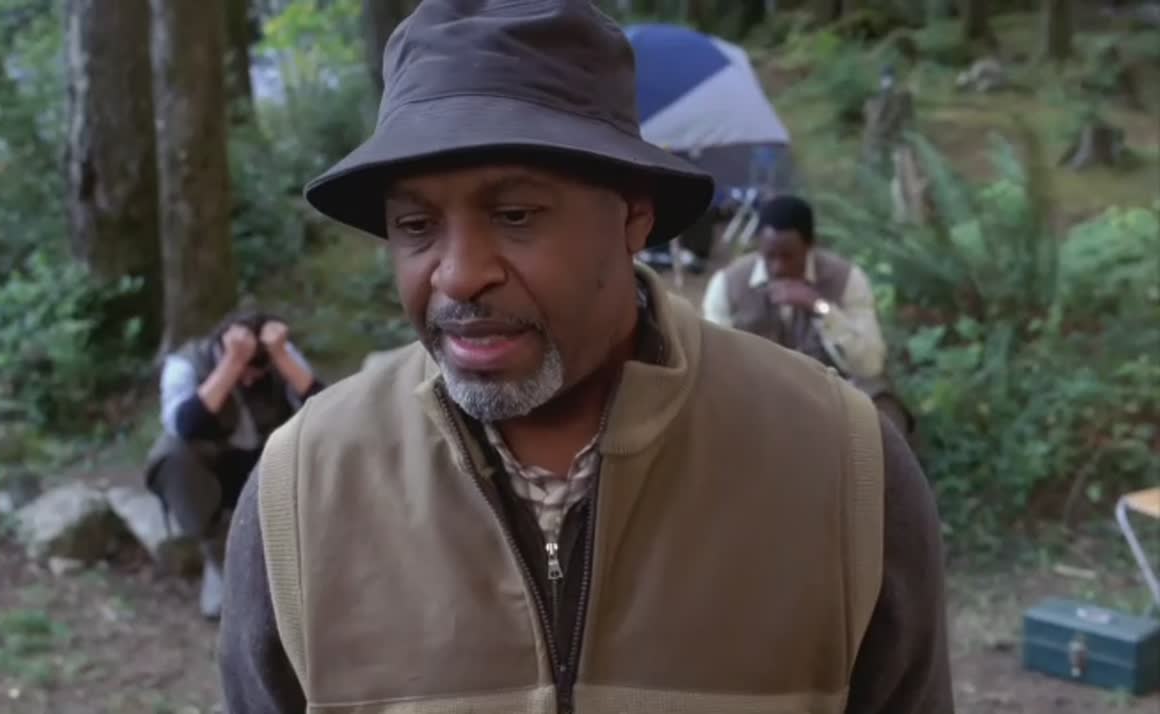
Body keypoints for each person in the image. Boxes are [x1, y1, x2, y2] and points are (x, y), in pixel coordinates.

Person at [219, 2, 953, 713]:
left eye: (515, 215)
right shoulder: (303, 493)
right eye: (415, 225)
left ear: (634, 217)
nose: (459, 275)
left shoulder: (838, 465)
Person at [142, 308, 324, 619]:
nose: (250, 380)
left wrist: (281, 356)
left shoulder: (281, 354)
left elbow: (325, 409)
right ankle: (224, 565)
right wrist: (233, 364)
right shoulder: (185, 364)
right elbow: (184, 425)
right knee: (172, 455)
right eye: (247, 372)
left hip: (270, 463)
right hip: (216, 471)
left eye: (257, 373)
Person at [703, 195, 915, 437]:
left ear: (810, 245)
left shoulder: (846, 279)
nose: (778, 267)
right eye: (770, 256)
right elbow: (713, 366)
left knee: (886, 414)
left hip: (833, 400)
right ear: (759, 244)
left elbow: (869, 364)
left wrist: (819, 307)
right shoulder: (727, 285)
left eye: (788, 256)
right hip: (755, 400)